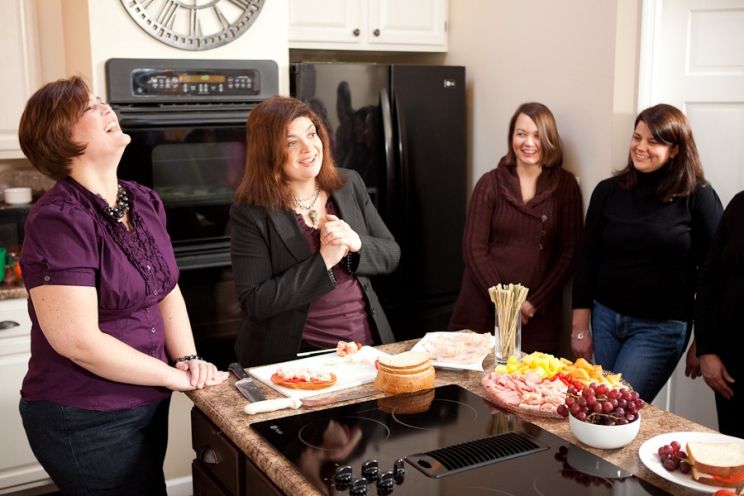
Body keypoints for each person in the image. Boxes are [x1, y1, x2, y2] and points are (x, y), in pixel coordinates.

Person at [17, 76, 229, 495]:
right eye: (90, 108)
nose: (106, 108)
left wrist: (186, 357)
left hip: (147, 400)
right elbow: (78, 342)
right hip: (84, 415)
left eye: (101, 101)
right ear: (61, 137)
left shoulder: (144, 201)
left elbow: (167, 290)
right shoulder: (59, 219)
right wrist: (175, 378)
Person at [231, 96, 400, 367]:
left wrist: (356, 243)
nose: (309, 149)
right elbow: (255, 301)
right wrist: (323, 261)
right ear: (269, 152)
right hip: (299, 357)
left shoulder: (348, 183)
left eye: (312, 134)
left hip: (366, 347)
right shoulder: (252, 211)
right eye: (291, 142)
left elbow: (392, 254)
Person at [572, 103, 723, 402]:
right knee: (591, 407)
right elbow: (587, 258)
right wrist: (579, 328)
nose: (641, 147)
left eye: (653, 141)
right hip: (604, 319)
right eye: (637, 137)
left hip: (660, 329)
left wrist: (704, 340)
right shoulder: (607, 191)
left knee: (614, 409)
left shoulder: (699, 197)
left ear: (676, 149)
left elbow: (715, 273)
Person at [449, 102, 582, 355]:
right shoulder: (490, 183)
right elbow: (473, 249)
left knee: (530, 390)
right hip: (483, 307)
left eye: (537, 135)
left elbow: (569, 254)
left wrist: (532, 304)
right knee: (473, 388)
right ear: (512, 137)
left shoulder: (565, 187)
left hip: (536, 315)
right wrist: (504, 303)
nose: (528, 143)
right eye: (521, 134)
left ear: (550, 139)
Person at [686, 190, 744, 438]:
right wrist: (706, 349)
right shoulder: (741, 204)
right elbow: (710, 279)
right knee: (733, 455)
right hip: (732, 367)